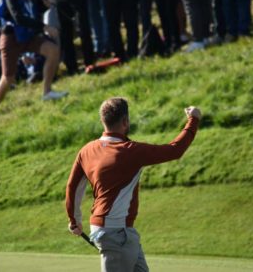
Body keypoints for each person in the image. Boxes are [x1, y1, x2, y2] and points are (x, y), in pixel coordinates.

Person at [65, 97, 201, 272]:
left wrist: (74, 220)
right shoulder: (131, 150)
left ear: (103, 121)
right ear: (125, 121)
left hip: (117, 231)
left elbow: (73, 187)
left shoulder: (87, 150)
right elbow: (175, 149)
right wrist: (194, 119)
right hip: (116, 233)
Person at [0, 0, 67, 119]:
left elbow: (31, 12)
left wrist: (44, 6)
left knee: (52, 50)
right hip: (11, 37)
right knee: (8, 78)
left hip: (27, 34)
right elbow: (17, 17)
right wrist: (44, 27)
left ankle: (47, 92)